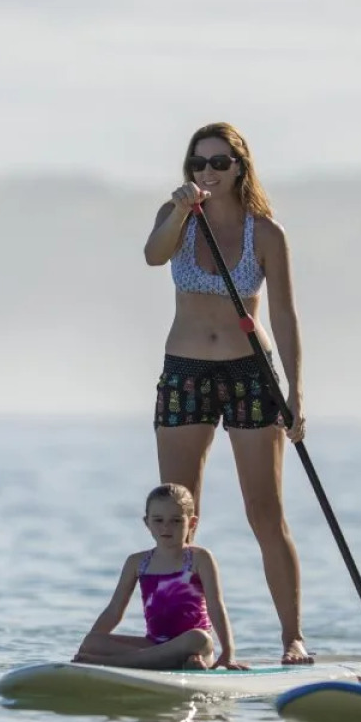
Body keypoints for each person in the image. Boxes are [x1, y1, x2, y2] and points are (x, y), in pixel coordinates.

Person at [142, 121, 310, 665]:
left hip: (249, 374)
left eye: (218, 163)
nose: (207, 172)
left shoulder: (267, 234)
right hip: (186, 371)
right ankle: (182, 639)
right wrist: (180, 210)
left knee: (265, 511)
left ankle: (292, 639)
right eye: (198, 163)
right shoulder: (178, 219)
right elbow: (152, 255)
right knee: (179, 514)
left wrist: (297, 393)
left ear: (240, 167)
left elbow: (283, 315)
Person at [74, 484, 246, 670]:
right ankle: (169, 661)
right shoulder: (137, 562)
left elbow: (216, 606)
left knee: (200, 638)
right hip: (153, 646)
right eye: (158, 520)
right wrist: (87, 648)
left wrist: (228, 653)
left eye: (176, 521)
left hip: (193, 647)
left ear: (192, 523)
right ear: (147, 522)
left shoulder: (200, 558)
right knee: (93, 640)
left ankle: (116, 664)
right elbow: (114, 610)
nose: (166, 527)